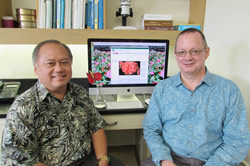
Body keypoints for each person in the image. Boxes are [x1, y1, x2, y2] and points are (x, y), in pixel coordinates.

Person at [1, 40, 124, 166]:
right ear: (36, 68)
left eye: (64, 62)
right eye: (50, 63)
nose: (59, 69)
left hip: (86, 160)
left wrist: (102, 159)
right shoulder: (23, 107)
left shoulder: (79, 93)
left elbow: (96, 126)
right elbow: (20, 158)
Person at [142, 28, 250, 166]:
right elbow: (151, 129)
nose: (188, 57)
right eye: (182, 52)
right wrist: (164, 160)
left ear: (207, 52)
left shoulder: (229, 90)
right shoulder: (162, 89)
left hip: (214, 160)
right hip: (171, 158)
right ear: (176, 55)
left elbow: (238, 141)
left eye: (195, 51)